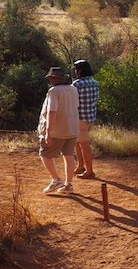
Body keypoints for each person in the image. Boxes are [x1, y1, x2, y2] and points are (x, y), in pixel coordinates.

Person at [38, 66, 80, 194]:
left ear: (56, 79)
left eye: (51, 78)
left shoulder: (54, 91)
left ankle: (56, 180)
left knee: (44, 154)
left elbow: (52, 112)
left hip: (57, 129)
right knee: (69, 155)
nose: (50, 80)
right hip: (72, 127)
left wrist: (48, 132)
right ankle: (68, 185)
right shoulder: (73, 89)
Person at [71, 59, 100, 179]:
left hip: (79, 118)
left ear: (80, 71)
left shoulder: (77, 84)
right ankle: (80, 166)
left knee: (83, 144)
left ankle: (89, 171)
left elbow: (72, 101)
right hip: (90, 117)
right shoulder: (95, 83)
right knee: (77, 142)